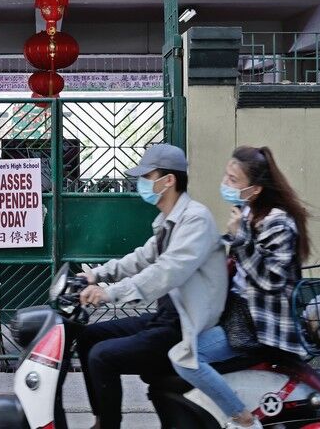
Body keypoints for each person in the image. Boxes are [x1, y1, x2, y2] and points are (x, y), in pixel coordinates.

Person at [76, 143, 227, 429]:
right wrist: (95, 275)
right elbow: (142, 258)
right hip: (166, 317)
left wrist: (110, 293)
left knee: (102, 357)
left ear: (168, 180)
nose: (141, 183)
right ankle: (101, 420)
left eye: (147, 176)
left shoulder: (195, 219)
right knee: (88, 338)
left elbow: (166, 271)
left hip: (184, 326)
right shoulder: (169, 221)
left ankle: (108, 427)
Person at [172, 145, 312, 429]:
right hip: (240, 315)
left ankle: (242, 417)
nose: (225, 184)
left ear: (256, 189)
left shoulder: (278, 223)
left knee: (186, 357)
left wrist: (240, 239)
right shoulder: (248, 214)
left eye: (233, 180)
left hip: (260, 325)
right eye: (226, 176)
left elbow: (270, 281)